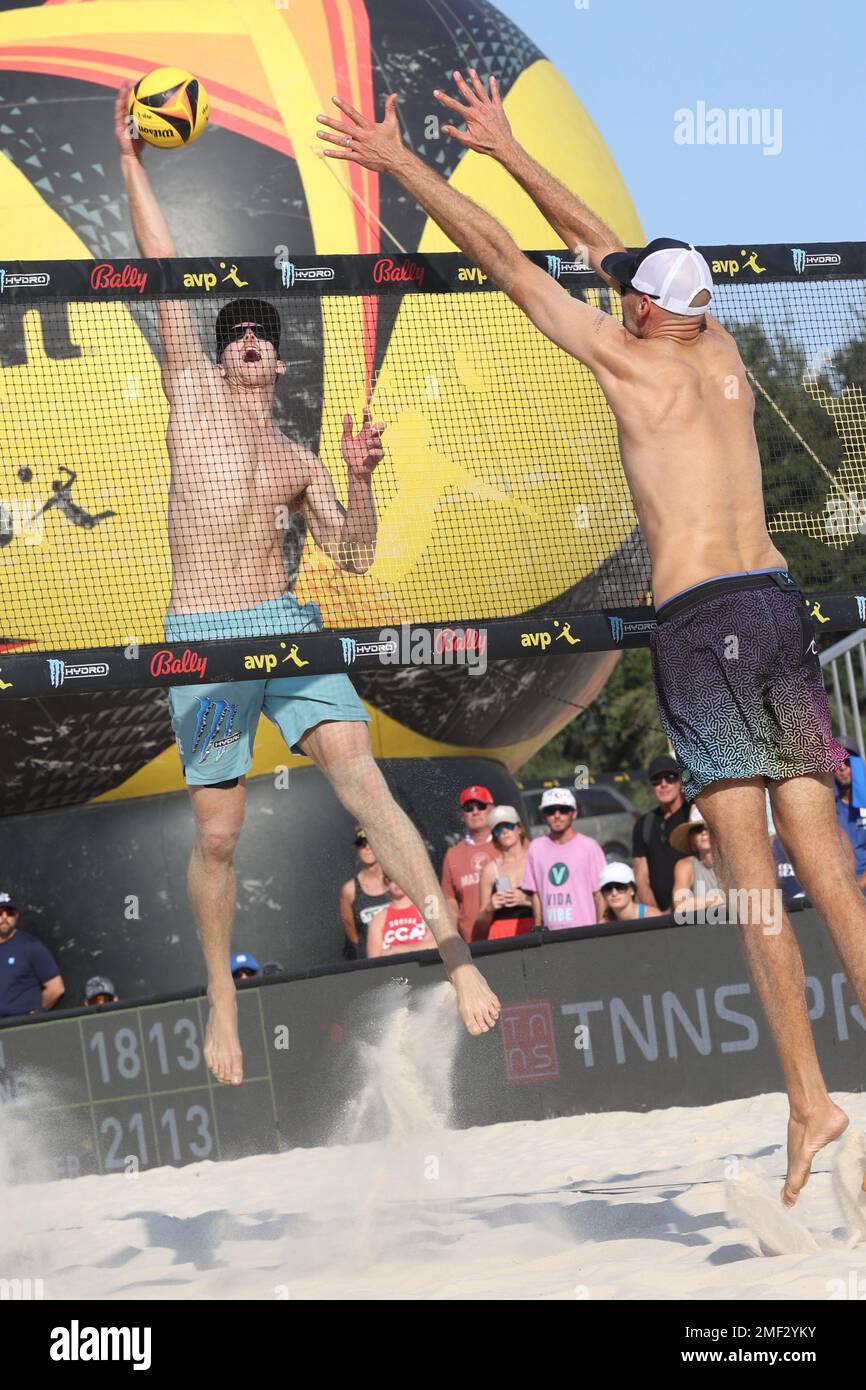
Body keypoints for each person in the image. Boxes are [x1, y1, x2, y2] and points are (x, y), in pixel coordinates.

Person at [320, 75, 862, 1206]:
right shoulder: (708, 348)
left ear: (646, 316)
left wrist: (401, 165)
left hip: (705, 624)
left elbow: (511, 264)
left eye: (628, 300)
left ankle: (809, 1101)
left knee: (755, 892)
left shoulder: (631, 362)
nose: (615, 303)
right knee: (836, 882)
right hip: (776, 608)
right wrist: (510, 147)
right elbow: (604, 245)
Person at [116, 85, 499, 1083]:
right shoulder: (189, 395)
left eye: (260, 334)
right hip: (202, 630)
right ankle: (219, 995)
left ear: (277, 360)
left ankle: (457, 959)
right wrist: (130, 162)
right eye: (234, 330)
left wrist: (360, 481)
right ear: (218, 352)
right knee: (219, 828)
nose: (246, 339)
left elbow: (355, 554)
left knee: (364, 783)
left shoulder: (297, 457)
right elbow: (162, 273)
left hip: (283, 623)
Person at [520, 788, 606, 929]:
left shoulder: (589, 847)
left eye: (564, 810)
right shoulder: (536, 848)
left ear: (574, 813)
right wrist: (537, 927)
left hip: (585, 933)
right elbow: (536, 894)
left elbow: (600, 893)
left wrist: (601, 927)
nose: (557, 815)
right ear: (543, 815)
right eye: (550, 810)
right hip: (551, 936)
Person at [440, 786, 498, 942]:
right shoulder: (452, 855)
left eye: (481, 806)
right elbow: (450, 902)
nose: (475, 811)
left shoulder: (509, 843)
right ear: (462, 815)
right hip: (471, 944)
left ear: (492, 810)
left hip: (508, 935)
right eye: (468, 807)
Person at [632, 755, 689, 912]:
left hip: (695, 911)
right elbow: (641, 878)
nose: (663, 784)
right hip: (658, 917)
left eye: (670, 778)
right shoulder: (644, 824)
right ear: (651, 787)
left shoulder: (693, 815)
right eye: (657, 780)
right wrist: (656, 914)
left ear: (680, 781)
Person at [0, 892, 64, 1018]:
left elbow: (56, 988)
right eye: (0, 912)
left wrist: (35, 1013)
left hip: (22, 1028)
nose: (5, 917)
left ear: (17, 915)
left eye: (10, 912)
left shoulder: (32, 946)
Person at [475, 805, 534, 940]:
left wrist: (526, 900)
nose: (504, 831)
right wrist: (490, 907)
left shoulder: (535, 860)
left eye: (508, 825)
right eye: (498, 829)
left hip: (533, 928)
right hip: (502, 933)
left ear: (519, 829)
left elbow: (551, 905)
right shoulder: (490, 870)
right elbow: (482, 923)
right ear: (494, 836)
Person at [339, 826, 391, 959]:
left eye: (371, 842)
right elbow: (353, 937)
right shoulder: (349, 890)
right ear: (356, 849)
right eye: (361, 843)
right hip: (373, 964)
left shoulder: (398, 882)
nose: (367, 847)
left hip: (406, 958)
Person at [670, 807, 725, 914]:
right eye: (698, 829)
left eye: (709, 827)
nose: (704, 832)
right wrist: (721, 900)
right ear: (691, 838)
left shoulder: (730, 862)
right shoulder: (686, 865)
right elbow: (680, 904)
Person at [366, 878, 438, 957]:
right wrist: (421, 946)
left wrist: (396, 950)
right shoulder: (377, 920)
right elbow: (374, 959)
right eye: (391, 878)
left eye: (401, 877)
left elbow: (438, 945)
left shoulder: (427, 910)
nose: (397, 882)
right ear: (386, 882)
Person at [833, 742, 866, 888]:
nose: (842, 767)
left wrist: (859, 886)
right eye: (836, 762)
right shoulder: (829, 809)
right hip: (841, 886)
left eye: (847, 762)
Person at [598, 863, 662, 924]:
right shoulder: (602, 925)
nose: (614, 893)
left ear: (632, 890)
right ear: (603, 894)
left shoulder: (653, 917)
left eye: (620, 887)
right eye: (607, 888)